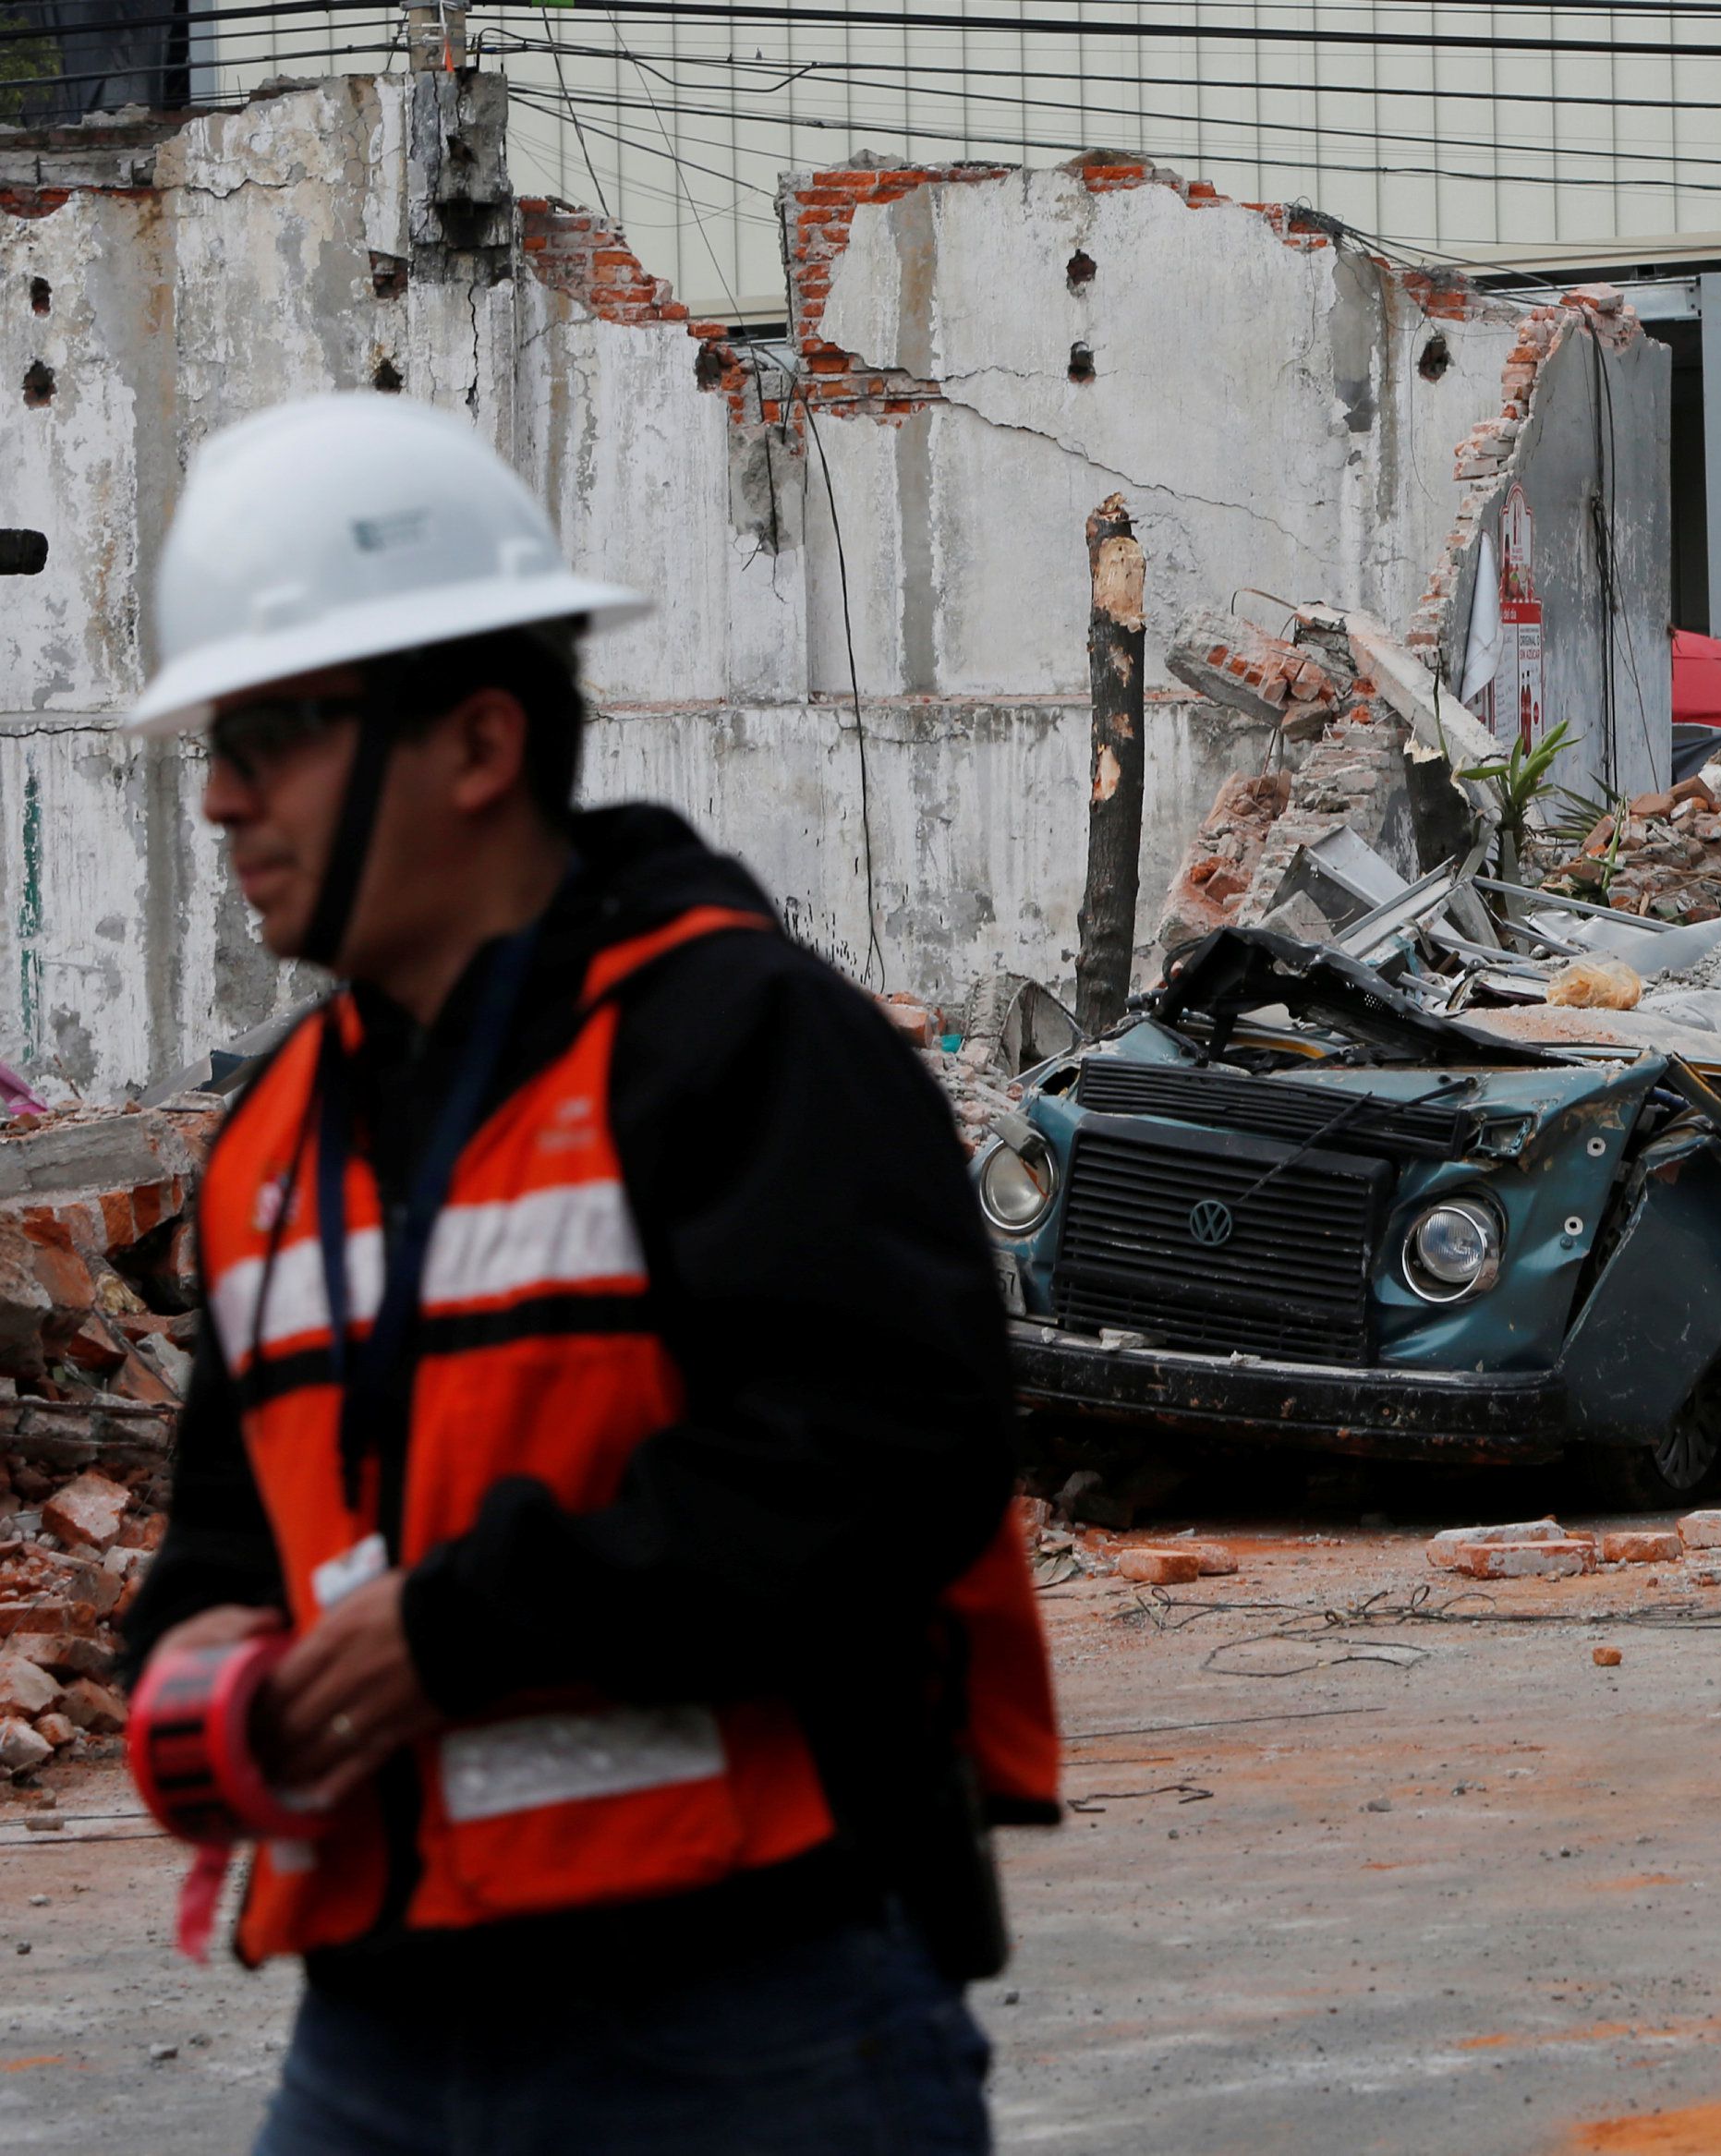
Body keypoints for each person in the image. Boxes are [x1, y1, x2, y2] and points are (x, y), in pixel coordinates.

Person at [115, 394, 1060, 2155]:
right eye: (212, 745)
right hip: (381, 2035)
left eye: (274, 733)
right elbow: (236, 1537)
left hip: (746, 2015)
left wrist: (467, 1625)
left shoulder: (738, 1042)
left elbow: (889, 1456)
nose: (227, 794)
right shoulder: (274, 1147)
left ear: (477, 741)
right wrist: (204, 1666)